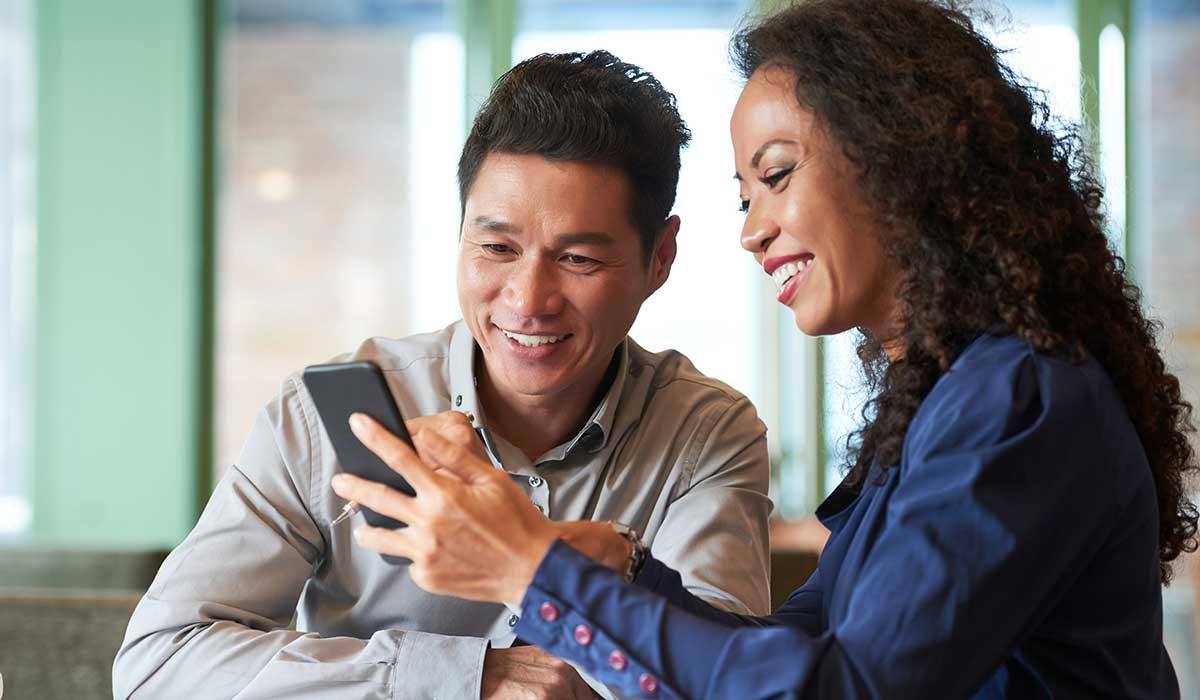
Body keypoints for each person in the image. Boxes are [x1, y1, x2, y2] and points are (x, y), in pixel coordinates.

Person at [330, 1, 1199, 698]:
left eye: (777, 176)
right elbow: (799, 648)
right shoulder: (945, 401)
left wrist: (532, 571)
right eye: (744, 195)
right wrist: (626, 572)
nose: (751, 232)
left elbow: (841, 689)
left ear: (899, 159)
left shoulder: (1019, 400)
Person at [113, 51, 775, 700]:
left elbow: (726, 681)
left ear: (660, 258)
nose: (526, 299)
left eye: (576, 258)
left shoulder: (704, 436)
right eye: (496, 248)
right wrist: (470, 678)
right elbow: (157, 666)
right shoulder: (336, 412)